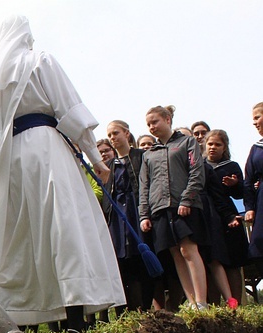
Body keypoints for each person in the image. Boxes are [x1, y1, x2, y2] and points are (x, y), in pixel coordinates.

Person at [0, 15, 124, 333]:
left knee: (12, 237)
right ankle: (74, 316)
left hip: (9, 158)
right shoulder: (39, 60)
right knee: (63, 226)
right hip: (46, 151)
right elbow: (69, 109)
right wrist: (96, 157)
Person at [140, 105, 208, 309]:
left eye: (155, 122)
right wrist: (144, 214)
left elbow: (197, 172)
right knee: (175, 254)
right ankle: (192, 301)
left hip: (183, 205)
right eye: (148, 124)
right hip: (159, 208)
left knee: (188, 249)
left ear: (167, 119)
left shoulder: (187, 142)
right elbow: (145, 186)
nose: (152, 127)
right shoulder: (149, 154)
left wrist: (187, 199)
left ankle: (202, 301)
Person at [103, 120, 153, 312]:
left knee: (142, 258)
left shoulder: (142, 156)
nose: (112, 138)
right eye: (109, 135)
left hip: (136, 211)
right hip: (117, 217)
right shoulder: (109, 165)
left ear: (126, 133)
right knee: (122, 262)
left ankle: (146, 307)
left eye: (115, 133)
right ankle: (127, 311)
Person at [204, 129, 246, 303]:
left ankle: (235, 305)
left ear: (224, 147)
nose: (213, 148)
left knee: (233, 262)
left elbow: (240, 194)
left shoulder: (231, 166)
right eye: (210, 144)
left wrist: (235, 184)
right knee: (212, 261)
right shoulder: (200, 166)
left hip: (229, 219)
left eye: (217, 144)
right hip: (208, 216)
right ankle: (214, 307)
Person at [244, 102, 263, 275]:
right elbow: (248, 180)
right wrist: (249, 207)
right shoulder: (256, 148)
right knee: (258, 242)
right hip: (262, 199)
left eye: (257, 117)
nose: (254, 122)